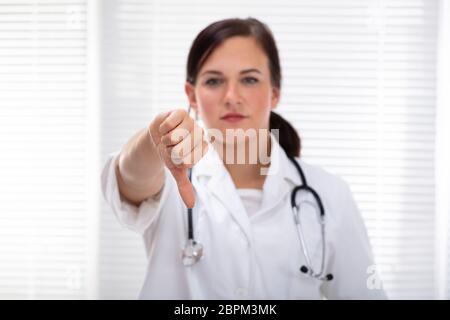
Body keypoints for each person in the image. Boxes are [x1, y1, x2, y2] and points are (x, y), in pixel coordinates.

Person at [101, 17, 387, 299]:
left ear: (274, 93)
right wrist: (156, 138)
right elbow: (129, 175)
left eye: (249, 79)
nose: (232, 96)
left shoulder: (329, 194)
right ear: (191, 95)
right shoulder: (165, 177)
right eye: (214, 81)